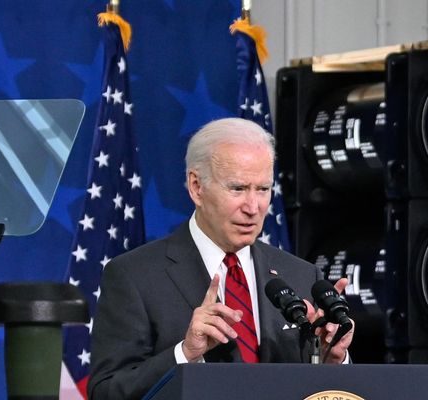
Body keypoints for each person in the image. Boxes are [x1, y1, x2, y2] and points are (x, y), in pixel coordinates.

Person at [87, 118, 355, 400]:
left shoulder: (301, 276)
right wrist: (186, 353)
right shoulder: (135, 276)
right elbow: (107, 392)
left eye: (262, 189)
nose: (253, 207)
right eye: (237, 189)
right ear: (196, 187)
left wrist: (331, 362)